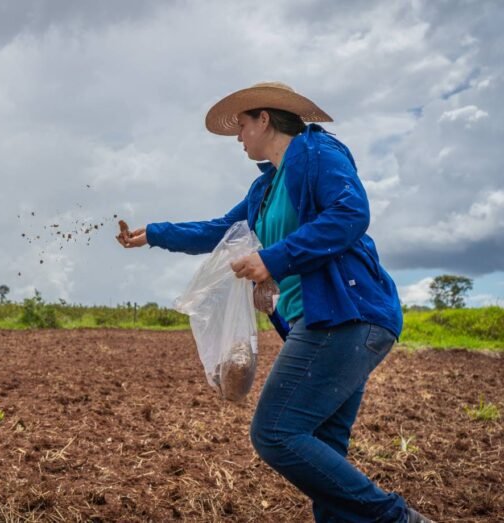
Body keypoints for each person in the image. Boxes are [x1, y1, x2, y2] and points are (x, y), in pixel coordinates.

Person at [117, 82, 434, 523]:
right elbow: (219, 232)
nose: (238, 137)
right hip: (324, 322)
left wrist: (273, 259)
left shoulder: (316, 152)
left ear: (265, 119)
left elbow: (350, 213)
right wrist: (154, 233)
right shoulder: (263, 190)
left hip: (348, 316)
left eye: (242, 125)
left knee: (275, 432)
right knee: (322, 453)